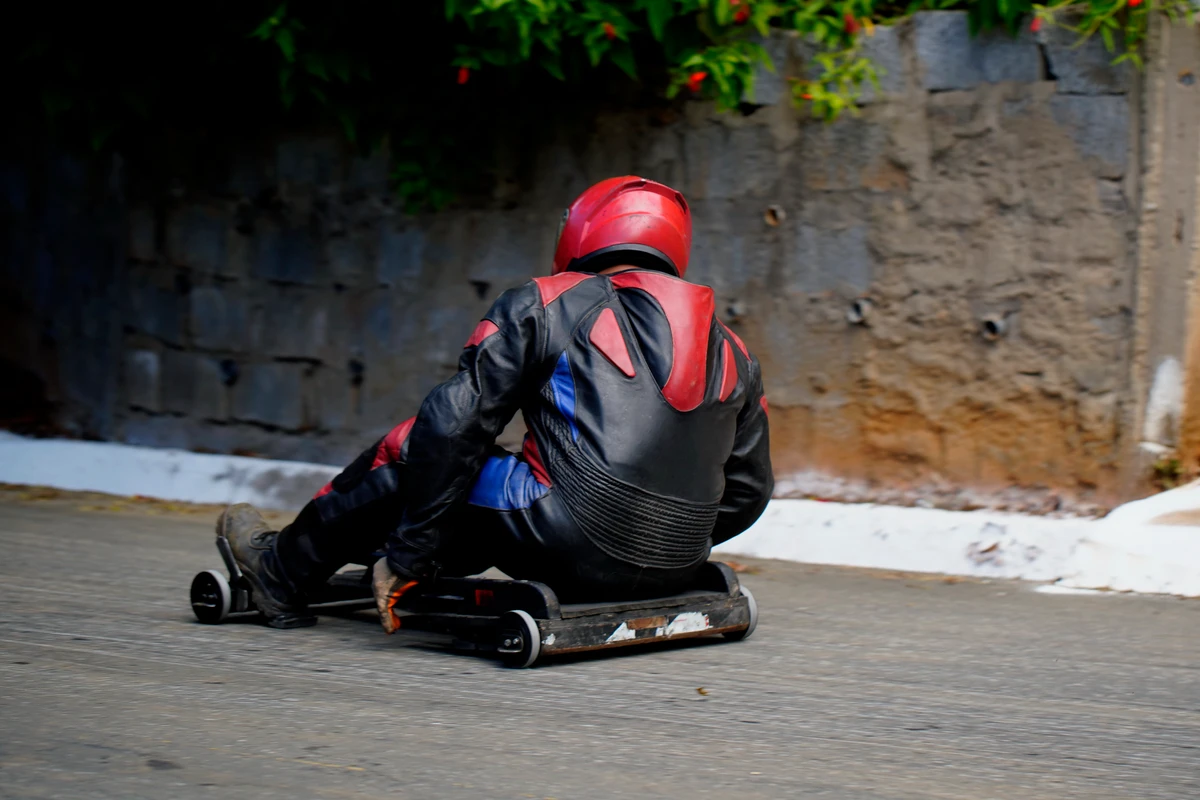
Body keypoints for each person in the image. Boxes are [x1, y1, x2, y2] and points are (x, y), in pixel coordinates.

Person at [216, 176, 774, 632]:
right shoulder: (735, 350)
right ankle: (420, 550)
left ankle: (280, 571)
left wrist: (411, 550)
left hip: (560, 539)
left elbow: (451, 426)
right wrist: (651, 540)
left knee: (415, 443)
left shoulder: (548, 301)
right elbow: (749, 492)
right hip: (676, 564)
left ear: (585, 230)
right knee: (481, 466)